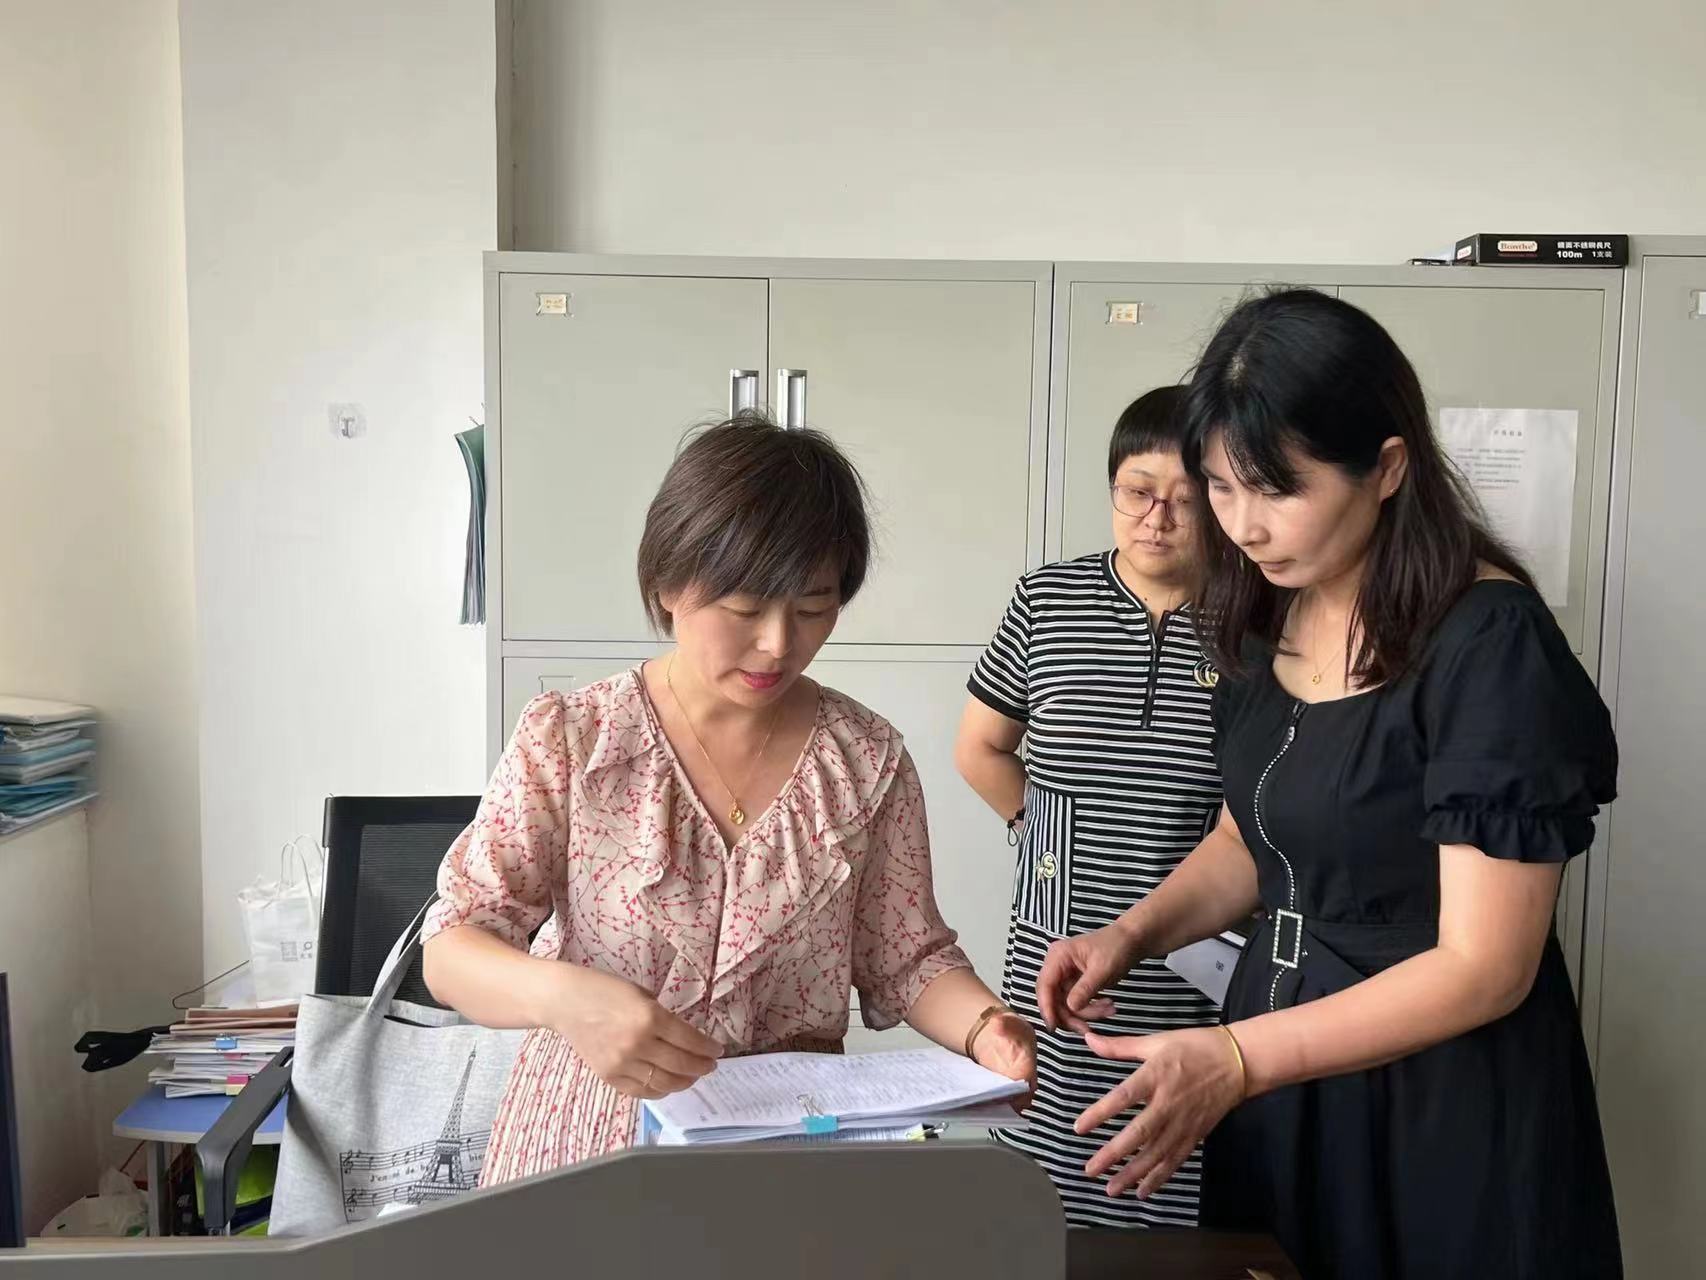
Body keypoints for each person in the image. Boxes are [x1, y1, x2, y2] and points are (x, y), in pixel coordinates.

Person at [1040, 289, 1621, 1279]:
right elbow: (1249, 838)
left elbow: (1485, 966)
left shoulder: (1488, 643)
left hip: (1433, 1099)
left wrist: (1237, 1057)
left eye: (1276, 490)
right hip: (1278, 1074)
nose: (1242, 525)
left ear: (1386, 468)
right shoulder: (1264, 610)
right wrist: (1130, 934)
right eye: (1221, 487)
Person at [422, 413, 1035, 1185]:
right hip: (590, 1140)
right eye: (745, 609)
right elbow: (454, 946)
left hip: (788, 1147)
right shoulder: (575, 740)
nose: (778, 643)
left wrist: (986, 1029)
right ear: (667, 585)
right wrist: (565, 998)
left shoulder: (864, 760)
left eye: (812, 608)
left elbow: (907, 958)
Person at [955, 385, 1224, 1228]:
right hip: (1057, 947)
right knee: (1047, 1184)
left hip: (1197, 957)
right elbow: (981, 748)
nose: (1156, 519)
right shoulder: (1048, 600)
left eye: (1185, 499)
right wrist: (1043, 838)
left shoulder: (1258, 618)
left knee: (1178, 1179)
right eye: (1137, 491)